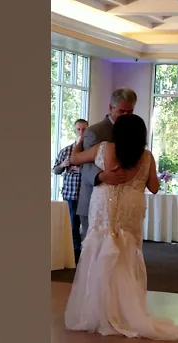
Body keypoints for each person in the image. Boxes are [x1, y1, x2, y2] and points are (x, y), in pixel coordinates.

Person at [64, 114, 178, 341]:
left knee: (101, 250)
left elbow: (75, 158)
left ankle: (101, 311)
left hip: (106, 203)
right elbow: (154, 187)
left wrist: (80, 139)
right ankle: (126, 311)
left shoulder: (105, 148)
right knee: (126, 256)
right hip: (131, 207)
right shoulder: (146, 157)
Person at [76, 88, 136, 240]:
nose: (126, 116)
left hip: (121, 203)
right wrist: (102, 176)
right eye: (121, 111)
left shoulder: (133, 131)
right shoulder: (95, 131)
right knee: (94, 252)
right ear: (110, 108)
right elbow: (84, 164)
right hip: (94, 200)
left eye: (130, 112)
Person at [52, 118, 88, 261]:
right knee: (72, 225)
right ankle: (74, 253)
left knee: (87, 225)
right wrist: (63, 164)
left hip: (87, 195)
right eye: (78, 129)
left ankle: (87, 253)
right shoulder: (66, 151)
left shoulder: (91, 151)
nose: (81, 132)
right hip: (70, 194)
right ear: (75, 130)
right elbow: (55, 170)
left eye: (84, 129)